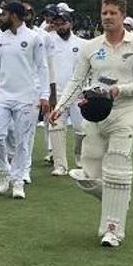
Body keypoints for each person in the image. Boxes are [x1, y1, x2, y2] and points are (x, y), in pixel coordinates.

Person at [49, 0, 133, 247]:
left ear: (122, 15)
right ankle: (119, 197)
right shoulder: (91, 47)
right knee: (86, 175)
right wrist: (60, 107)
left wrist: (121, 90)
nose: (107, 17)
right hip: (95, 115)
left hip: (125, 112)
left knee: (117, 170)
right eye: (104, 12)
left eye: (113, 13)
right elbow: (76, 80)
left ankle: (113, 230)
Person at [0, 0, 50, 199]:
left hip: (27, 96)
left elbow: (42, 67)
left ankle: (18, 181)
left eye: (4, 15)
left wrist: (44, 95)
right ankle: (4, 173)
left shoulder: (34, 38)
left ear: (14, 16)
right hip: (4, 95)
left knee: (22, 140)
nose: (0, 19)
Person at [45, 10, 87, 175]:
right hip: (57, 93)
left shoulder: (83, 44)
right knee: (56, 128)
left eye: (63, 23)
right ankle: (60, 165)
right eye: (57, 23)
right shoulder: (48, 42)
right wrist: (48, 93)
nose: (60, 26)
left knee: (82, 129)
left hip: (78, 94)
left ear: (71, 23)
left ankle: (80, 159)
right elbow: (45, 68)